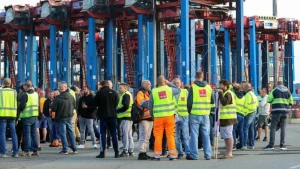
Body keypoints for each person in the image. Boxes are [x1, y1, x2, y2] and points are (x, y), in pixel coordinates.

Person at [149, 75, 180, 161]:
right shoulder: (169, 89)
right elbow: (178, 89)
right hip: (169, 116)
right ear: (164, 82)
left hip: (158, 117)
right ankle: (173, 154)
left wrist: (152, 115)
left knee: (158, 136)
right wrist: (169, 83)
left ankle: (157, 155)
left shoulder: (154, 91)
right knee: (170, 135)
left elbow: (150, 105)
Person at [187, 71, 213, 160]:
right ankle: (208, 154)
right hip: (205, 114)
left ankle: (194, 155)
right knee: (206, 135)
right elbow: (212, 101)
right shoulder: (209, 87)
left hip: (194, 113)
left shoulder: (193, 88)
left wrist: (189, 111)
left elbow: (189, 102)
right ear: (203, 77)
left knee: (194, 135)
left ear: (195, 77)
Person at [264, 81, 293, 150]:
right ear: (283, 84)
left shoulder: (274, 91)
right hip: (284, 112)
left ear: (277, 84)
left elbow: (268, 100)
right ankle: (282, 145)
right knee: (283, 127)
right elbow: (291, 102)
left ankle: (271, 145)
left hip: (276, 111)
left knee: (273, 127)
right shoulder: (288, 92)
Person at [94, 80, 120, 158]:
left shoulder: (99, 93)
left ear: (101, 85)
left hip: (103, 116)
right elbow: (117, 103)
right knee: (113, 134)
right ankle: (116, 152)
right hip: (113, 116)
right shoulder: (114, 92)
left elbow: (95, 103)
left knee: (103, 134)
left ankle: (103, 152)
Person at [51, 81, 77, 155]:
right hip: (69, 117)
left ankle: (65, 149)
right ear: (66, 87)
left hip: (61, 118)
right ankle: (74, 148)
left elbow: (54, 109)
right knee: (71, 133)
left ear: (59, 88)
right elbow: (74, 106)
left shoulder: (57, 98)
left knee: (63, 134)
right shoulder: (71, 96)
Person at [217, 79, 238, 159]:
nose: (220, 86)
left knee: (228, 135)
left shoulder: (228, 93)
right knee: (226, 136)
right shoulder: (228, 92)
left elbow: (224, 102)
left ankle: (229, 153)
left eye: (221, 85)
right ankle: (228, 152)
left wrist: (220, 94)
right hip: (225, 117)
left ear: (225, 86)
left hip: (228, 117)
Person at [19, 81, 39, 156]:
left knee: (27, 134)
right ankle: (35, 150)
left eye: (24, 86)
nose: (23, 87)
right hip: (34, 116)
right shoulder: (36, 94)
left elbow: (22, 106)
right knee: (34, 134)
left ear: (27, 86)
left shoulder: (25, 95)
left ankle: (27, 150)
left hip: (26, 116)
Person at [0, 78, 18, 158]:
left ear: (3, 83)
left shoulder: (0, 92)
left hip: (2, 115)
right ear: (10, 84)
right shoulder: (14, 92)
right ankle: (15, 152)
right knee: (13, 133)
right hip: (12, 115)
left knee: (2, 134)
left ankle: (3, 153)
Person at [173, 78, 190, 159]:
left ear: (181, 84)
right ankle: (180, 152)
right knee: (176, 136)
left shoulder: (185, 91)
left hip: (184, 116)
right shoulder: (171, 92)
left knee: (185, 135)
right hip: (174, 116)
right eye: (175, 83)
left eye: (178, 83)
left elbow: (189, 103)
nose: (177, 84)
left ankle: (188, 152)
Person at [136, 80, 153, 160]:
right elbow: (141, 103)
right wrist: (151, 103)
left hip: (150, 118)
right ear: (145, 85)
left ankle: (144, 152)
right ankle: (141, 153)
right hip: (144, 118)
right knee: (143, 135)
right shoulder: (140, 93)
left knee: (147, 136)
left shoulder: (149, 93)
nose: (150, 85)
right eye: (149, 84)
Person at [117, 83, 134, 157]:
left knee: (125, 134)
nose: (119, 89)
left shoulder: (125, 95)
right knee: (129, 135)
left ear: (125, 88)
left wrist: (118, 110)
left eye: (120, 88)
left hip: (125, 117)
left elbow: (126, 106)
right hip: (128, 117)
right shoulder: (128, 94)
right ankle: (130, 150)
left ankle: (125, 150)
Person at [243, 83, 258, 149]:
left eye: (243, 87)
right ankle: (251, 144)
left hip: (248, 113)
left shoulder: (247, 95)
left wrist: (244, 113)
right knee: (251, 129)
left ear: (246, 88)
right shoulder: (253, 94)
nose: (243, 88)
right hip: (253, 112)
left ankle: (244, 145)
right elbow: (257, 104)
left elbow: (245, 105)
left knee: (245, 129)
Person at [232, 84, 246, 150]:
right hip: (242, 114)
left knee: (233, 130)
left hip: (235, 114)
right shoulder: (243, 97)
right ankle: (242, 144)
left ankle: (233, 145)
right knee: (241, 130)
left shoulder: (233, 95)